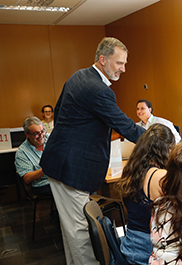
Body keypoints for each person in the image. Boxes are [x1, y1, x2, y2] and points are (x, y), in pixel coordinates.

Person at [39, 37, 146, 265]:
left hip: (62, 162)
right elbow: (124, 125)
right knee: (80, 233)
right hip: (72, 170)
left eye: (125, 64)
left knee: (71, 229)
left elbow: (60, 114)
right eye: (119, 63)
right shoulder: (98, 89)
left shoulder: (79, 76)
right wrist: (158, 141)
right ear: (103, 59)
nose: (123, 69)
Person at [116, 123, 175, 265]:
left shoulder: (130, 171)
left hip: (130, 246)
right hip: (149, 252)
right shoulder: (160, 176)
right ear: (166, 150)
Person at [15, 116, 51, 195]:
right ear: (27, 134)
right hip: (43, 184)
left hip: (60, 179)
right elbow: (27, 179)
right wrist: (46, 169)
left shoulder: (50, 138)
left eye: (42, 131)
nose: (41, 136)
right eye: (36, 134)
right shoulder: (22, 152)